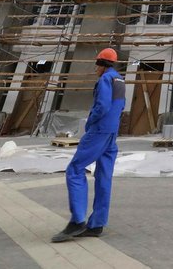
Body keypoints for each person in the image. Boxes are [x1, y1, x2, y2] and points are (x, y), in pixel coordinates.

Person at [52, 48, 126, 242]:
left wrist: (90, 122)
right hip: (111, 133)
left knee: (75, 169)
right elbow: (121, 106)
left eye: (97, 64)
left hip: (99, 131)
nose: (95, 68)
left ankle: (77, 221)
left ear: (102, 64)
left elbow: (102, 106)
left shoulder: (105, 80)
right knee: (104, 176)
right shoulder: (120, 80)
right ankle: (97, 224)